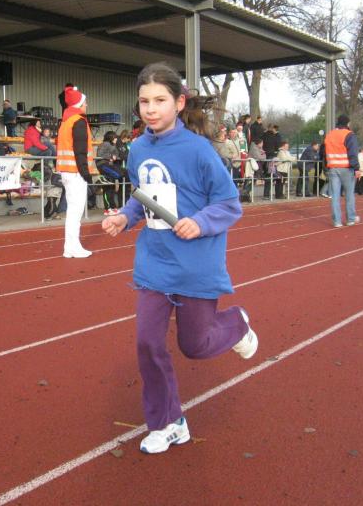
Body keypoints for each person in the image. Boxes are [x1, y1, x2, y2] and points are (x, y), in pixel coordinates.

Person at [101, 62, 256, 455]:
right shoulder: (138, 149)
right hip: (155, 264)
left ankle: (236, 324)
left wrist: (200, 222)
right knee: (147, 343)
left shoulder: (199, 151)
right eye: (144, 102)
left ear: (179, 103)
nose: (151, 109)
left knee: (196, 345)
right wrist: (124, 217)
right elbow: (143, 197)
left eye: (160, 100)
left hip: (195, 264)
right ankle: (168, 423)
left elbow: (229, 204)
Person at [56, 85, 95, 258]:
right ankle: (73, 247)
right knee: (75, 212)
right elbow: (80, 150)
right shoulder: (78, 121)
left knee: (72, 211)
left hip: (67, 170)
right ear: (79, 104)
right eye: (85, 102)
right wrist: (86, 173)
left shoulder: (66, 121)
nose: (86, 105)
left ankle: (70, 246)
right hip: (76, 172)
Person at [322, 114, 361, 227]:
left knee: (335, 196)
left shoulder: (329, 135)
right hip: (346, 168)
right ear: (347, 123)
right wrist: (356, 168)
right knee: (349, 195)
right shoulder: (349, 134)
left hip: (333, 168)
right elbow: (353, 153)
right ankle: (350, 219)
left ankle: (337, 221)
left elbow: (324, 153)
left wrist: (326, 167)